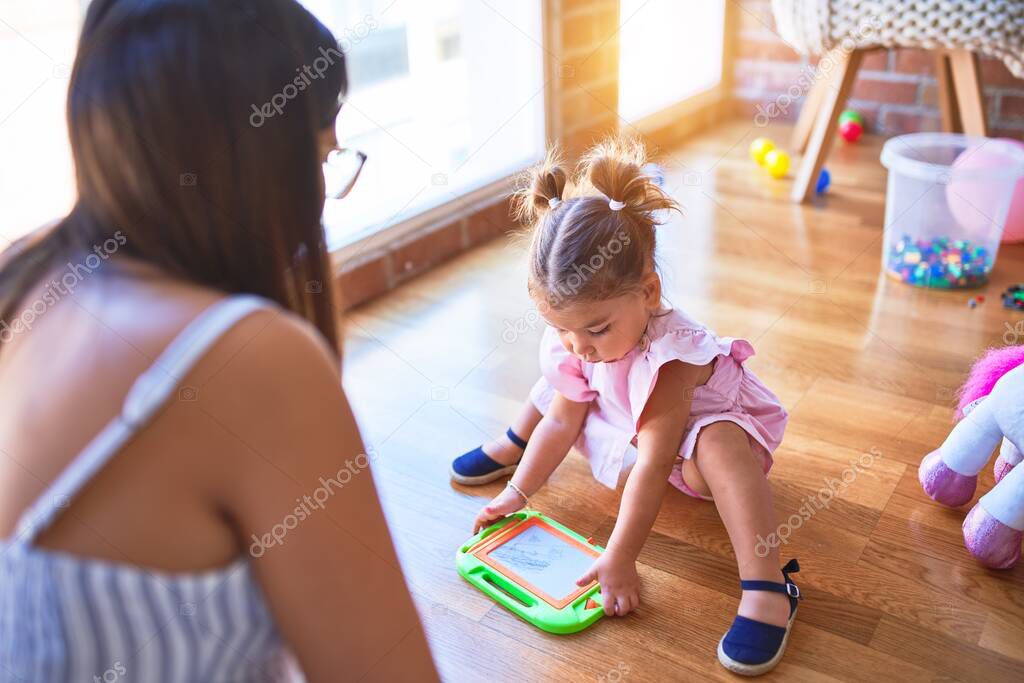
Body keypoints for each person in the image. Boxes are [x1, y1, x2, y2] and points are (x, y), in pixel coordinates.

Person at [0, 1, 437, 681]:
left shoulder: (24, 273)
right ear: (250, 158)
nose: (320, 191)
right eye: (317, 155)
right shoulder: (250, 362)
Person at [452, 139, 799, 676]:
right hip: (628, 425)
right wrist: (517, 493)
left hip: (688, 445)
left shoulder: (673, 355)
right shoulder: (578, 339)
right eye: (559, 328)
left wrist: (620, 555)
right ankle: (511, 448)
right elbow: (564, 417)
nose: (578, 342)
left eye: (595, 327)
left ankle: (768, 586)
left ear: (649, 291)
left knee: (716, 447)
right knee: (560, 383)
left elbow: (658, 466)